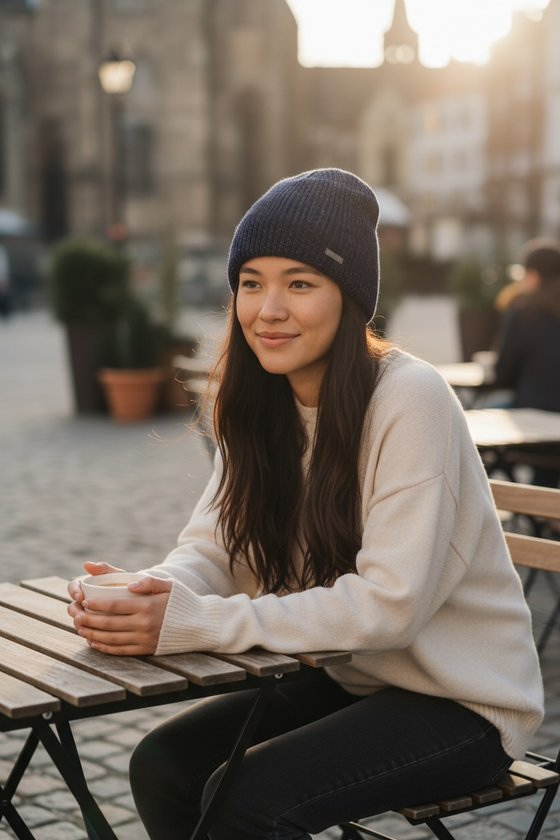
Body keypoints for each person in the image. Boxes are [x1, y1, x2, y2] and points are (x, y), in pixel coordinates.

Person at [67, 169, 544, 840]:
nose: (268, 309)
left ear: (349, 299)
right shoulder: (261, 400)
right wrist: (153, 595)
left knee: (249, 802)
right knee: (163, 764)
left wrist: (200, 622)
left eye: (299, 283)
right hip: (358, 677)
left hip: (461, 699)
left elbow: (390, 607)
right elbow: (213, 548)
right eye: (251, 283)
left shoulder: (410, 399)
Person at [493, 238, 560, 487]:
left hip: (534, 427)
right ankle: (544, 519)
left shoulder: (524, 312)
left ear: (532, 276)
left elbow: (502, 374)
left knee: (485, 413)